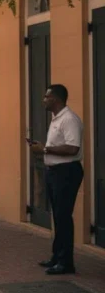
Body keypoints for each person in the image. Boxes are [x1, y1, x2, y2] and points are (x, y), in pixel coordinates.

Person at [31, 84, 84, 275]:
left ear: (56, 99)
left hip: (66, 172)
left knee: (63, 216)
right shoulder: (55, 119)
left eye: (47, 97)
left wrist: (45, 149)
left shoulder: (69, 119)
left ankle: (66, 262)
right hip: (54, 171)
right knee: (58, 216)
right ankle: (56, 256)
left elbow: (73, 148)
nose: (44, 100)